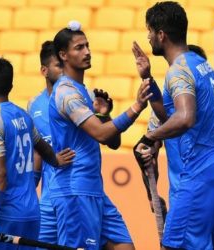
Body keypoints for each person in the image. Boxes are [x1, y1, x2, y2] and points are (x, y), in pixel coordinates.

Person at [48, 20, 151, 250]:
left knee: (125, 247)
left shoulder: (84, 91)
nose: (87, 52)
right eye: (79, 48)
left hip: (94, 189)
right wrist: (136, 107)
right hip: (75, 191)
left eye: (87, 46)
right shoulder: (66, 94)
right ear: (63, 55)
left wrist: (105, 115)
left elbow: (113, 142)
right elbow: (102, 135)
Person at [132, 2, 214, 249]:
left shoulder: (178, 71)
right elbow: (170, 115)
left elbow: (184, 118)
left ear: (161, 34)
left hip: (198, 174)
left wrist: (150, 137)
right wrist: (147, 79)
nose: (148, 37)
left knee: (174, 246)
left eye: (150, 31)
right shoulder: (202, 65)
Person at [0, 55, 73, 250]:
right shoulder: (23, 116)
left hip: (5, 215)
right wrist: (55, 160)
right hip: (31, 215)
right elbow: (41, 145)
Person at [27, 40, 75, 246]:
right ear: (44, 71)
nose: (64, 71)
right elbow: (37, 152)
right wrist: (28, 193)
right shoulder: (33, 105)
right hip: (47, 199)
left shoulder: (77, 98)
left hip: (73, 194)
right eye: (58, 66)